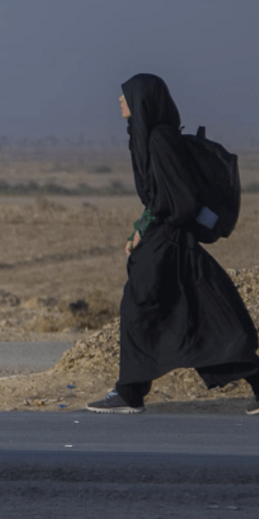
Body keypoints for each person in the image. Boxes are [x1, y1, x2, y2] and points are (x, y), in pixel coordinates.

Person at [86, 73, 259, 415]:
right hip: (168, 239)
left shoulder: (159, 140)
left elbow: (180, 202)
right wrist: (141, 229)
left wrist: (148, 230)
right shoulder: (148, 137)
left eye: (126, 96)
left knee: (140, 310)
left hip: (170, 241)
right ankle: (131, 390)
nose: (120, 101)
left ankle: (130, 392)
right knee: (198, 316)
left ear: (143, 101)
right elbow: (162, 199)